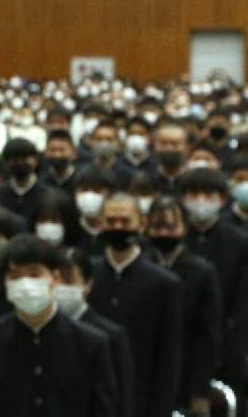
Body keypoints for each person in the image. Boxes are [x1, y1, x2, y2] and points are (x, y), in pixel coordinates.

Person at [0, 234, 118, 416]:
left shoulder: (91, 343)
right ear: (5, 283)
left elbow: (103, 410)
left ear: (54, 278)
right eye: (15, 276)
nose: (25, 284)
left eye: (35, 274)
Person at [88, 193, 182, 417]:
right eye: (111, 221)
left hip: (142, 398)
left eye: (125, 221)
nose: (117, 227)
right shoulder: (87, 274)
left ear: (142, 224)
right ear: (100, 223)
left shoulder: (165, 283)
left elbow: (169, 355)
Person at [178, 168, 248, 415]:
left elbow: (242, 304)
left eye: (209, 194)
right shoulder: (176, 239)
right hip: (181, 346)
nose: (201, 201)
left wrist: (226, 347)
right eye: (194, 194)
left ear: (222, 199)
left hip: (227, 348)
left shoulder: (240, 242)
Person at [144, 196, 222, 417]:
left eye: (170, 227)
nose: (164, 234)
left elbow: (208, 335)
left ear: (184, 228)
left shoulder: (203, 272)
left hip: (186, 372)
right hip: (145, 373)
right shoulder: (142, 266)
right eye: (157, 227)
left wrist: (200, 391)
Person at [55, 249, 134, 417]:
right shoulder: (40, 331)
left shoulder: (110, 335)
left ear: (88, 284)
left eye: (68, 279)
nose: (60, 287)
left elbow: (121, 399)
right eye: (55, 280)